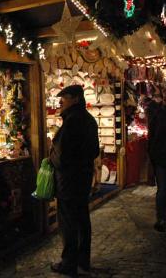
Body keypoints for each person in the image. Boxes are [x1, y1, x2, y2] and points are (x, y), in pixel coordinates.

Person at [49, 85, 99, 277]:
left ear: (76, 99)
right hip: (82, 178)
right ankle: (82, 262)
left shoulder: (72, 122)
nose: (61, 101)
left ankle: (69, 263)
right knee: (82, 219)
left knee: (69, 222)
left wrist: (50, 156)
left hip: (69, 181)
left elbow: (61, 158)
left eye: (65, 97)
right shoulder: (88, 120)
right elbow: (94, 151)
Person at [146, 87, 166, 232]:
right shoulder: (158, 114)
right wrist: (152, 154)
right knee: (163, 189)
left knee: (164, 189)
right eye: (164, 97)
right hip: (162, 157)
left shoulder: (160, 114)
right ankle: (161, 219)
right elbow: (152, 135)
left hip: (165, 155)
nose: (165, 99)